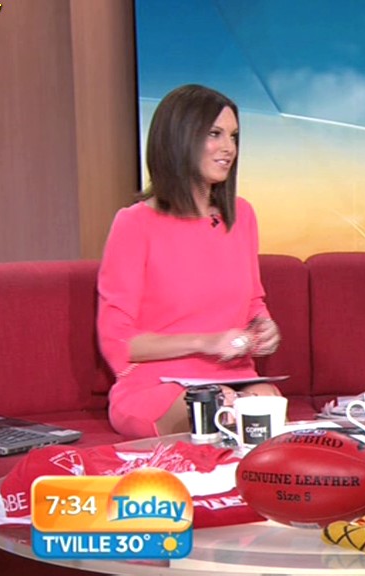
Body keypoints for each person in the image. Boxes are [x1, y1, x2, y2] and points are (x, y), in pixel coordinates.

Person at [97, 84, 283, 439]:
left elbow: (252, 302)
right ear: (180, 138)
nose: (229, 148)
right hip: (156, 384)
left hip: (235, 377)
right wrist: (205, 342)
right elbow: (119, 343)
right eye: (215, 134)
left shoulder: (240, 215)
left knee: (265, 403)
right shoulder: (135, 224)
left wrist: (263, 326)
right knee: (214, 409)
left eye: (233, 136)